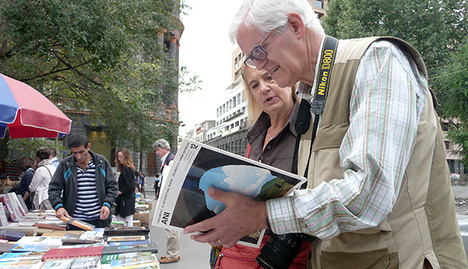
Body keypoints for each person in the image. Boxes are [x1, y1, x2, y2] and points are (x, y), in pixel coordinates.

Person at [184, 0, 468, 268]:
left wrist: (260, 215)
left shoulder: (379, 60)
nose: (258, 65)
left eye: (259, 51)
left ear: (295, 26)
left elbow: (369, 195)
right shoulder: (310, 100)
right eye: (251, 59)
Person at [210, 66, 312, 268]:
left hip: (281, 256)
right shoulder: (255, 137)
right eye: (254, 85)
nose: (263, 88)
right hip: (236, 252)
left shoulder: (312, 130)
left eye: (269, 78)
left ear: (289, 79)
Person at [48, 133, 118, 229]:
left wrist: (107, 204)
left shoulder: (102, 163)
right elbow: (53, 189)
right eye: (74, 153)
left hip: (100, 220)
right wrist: (59, 207)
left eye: (81, 152)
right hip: (74, 221)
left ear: (88, 147)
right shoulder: (65, 165)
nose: (79, 156)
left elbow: (112, 187)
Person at [153, 139, 180, 264]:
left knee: (170, 227)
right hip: (169, 197)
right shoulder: (168, 160)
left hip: (170, 198)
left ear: (165, 148)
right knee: (170, 227)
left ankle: (172, 254)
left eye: (158, 150)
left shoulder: (171, 160)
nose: (156, 153)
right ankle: (173, 253)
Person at [115, 148, 137, 227]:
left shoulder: (126, 169)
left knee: (124, 223)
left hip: (125, 201)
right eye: (118, 157)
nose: (119, 159)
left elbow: (130, 186)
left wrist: (119, 192)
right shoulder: (127, 169)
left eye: (121, 157)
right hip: (127, 200)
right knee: (127, 222)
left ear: (126, 157)